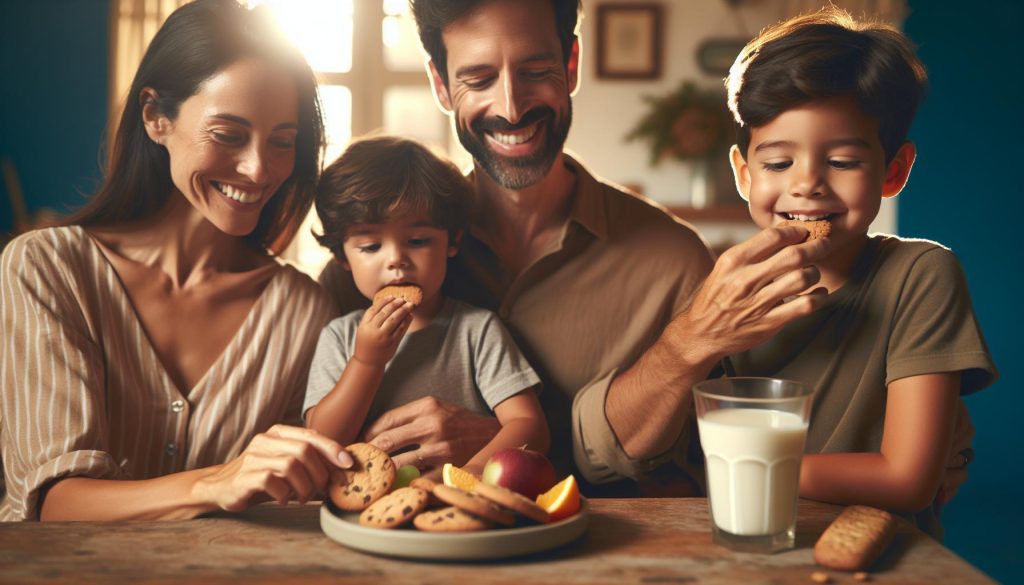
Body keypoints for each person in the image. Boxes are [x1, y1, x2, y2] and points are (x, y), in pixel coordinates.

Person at [319, 0, 975, 499]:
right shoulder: (375, 263)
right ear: (440, 85)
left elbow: (699, 469)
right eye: (478, 77)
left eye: (536, 70)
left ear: (571, 66)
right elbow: (308, 439)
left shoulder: (677, 261)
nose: (511, 105)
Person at [0, 0, 352, 522]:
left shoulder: (303, 311)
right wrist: (218, 482)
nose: (259, 169)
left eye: (282, 142)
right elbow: (56, 503)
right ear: (155, 118)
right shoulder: (46, 268)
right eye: (229, 135)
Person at [721, 8, 997, 536]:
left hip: (878, 553)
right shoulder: (725, 291)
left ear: (893, 171)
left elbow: (907, 478)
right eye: (778, 164)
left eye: (843, 161)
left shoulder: (921, 275)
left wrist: (745, 471)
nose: (807, 185)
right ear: (743, 173)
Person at [304, 136, 547, 477]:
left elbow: (529, 425)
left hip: (457, 504)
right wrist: (366, 361)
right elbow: (321, 440)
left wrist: (474, 473)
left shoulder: (476, 330)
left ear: (453, 242)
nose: (396, 260)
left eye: (418, 241)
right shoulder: (341, 337)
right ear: (342, 256)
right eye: (371, 245)